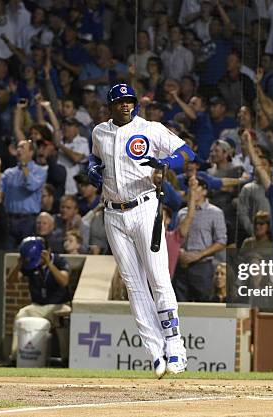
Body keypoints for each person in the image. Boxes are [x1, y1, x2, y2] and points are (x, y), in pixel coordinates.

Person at [88, 83, 195, 378]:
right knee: (133, 285)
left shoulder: (150, 128)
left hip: (145, 207)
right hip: (112, 213)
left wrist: (166, 162)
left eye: (129, 101)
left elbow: (187, 153)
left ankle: (175, 347)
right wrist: (92, 168)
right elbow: (95, 159)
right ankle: (154, 351)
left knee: (159, 279)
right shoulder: (99, 132)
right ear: (110, 106)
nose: (126, 105)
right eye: (120, 101)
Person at [7, 236, 71, 362]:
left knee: (65, 319)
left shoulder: (59, 261)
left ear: (48, 250)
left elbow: (64, 281)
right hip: (37, 306)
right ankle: (15, 357)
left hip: (58, 306)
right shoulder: (30, 263)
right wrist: (19, 264)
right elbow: (11, 281)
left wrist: (49, 264)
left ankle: (66, 359)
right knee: (21, 315)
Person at [173, 177, 227, 302]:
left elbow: (221, 241)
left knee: (204, 304)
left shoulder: (215, 212)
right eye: (189, 187)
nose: (191, 191)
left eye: (195, 187)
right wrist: (180, 252)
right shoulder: (182, 213)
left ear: (204, 191)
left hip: (202, 266)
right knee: (180, 305)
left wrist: (199, 255)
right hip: (181, 266)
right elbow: (175, 238)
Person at [2, 140, 47, 248]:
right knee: (7, 256)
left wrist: (23, 165)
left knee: (27, 256)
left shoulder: (40, 170)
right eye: (17, 147)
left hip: (29, 221)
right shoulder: (9, 173)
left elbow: (31, 186)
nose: (18, 150)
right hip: (9, 219)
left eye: (22, 147)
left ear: (31, 152)